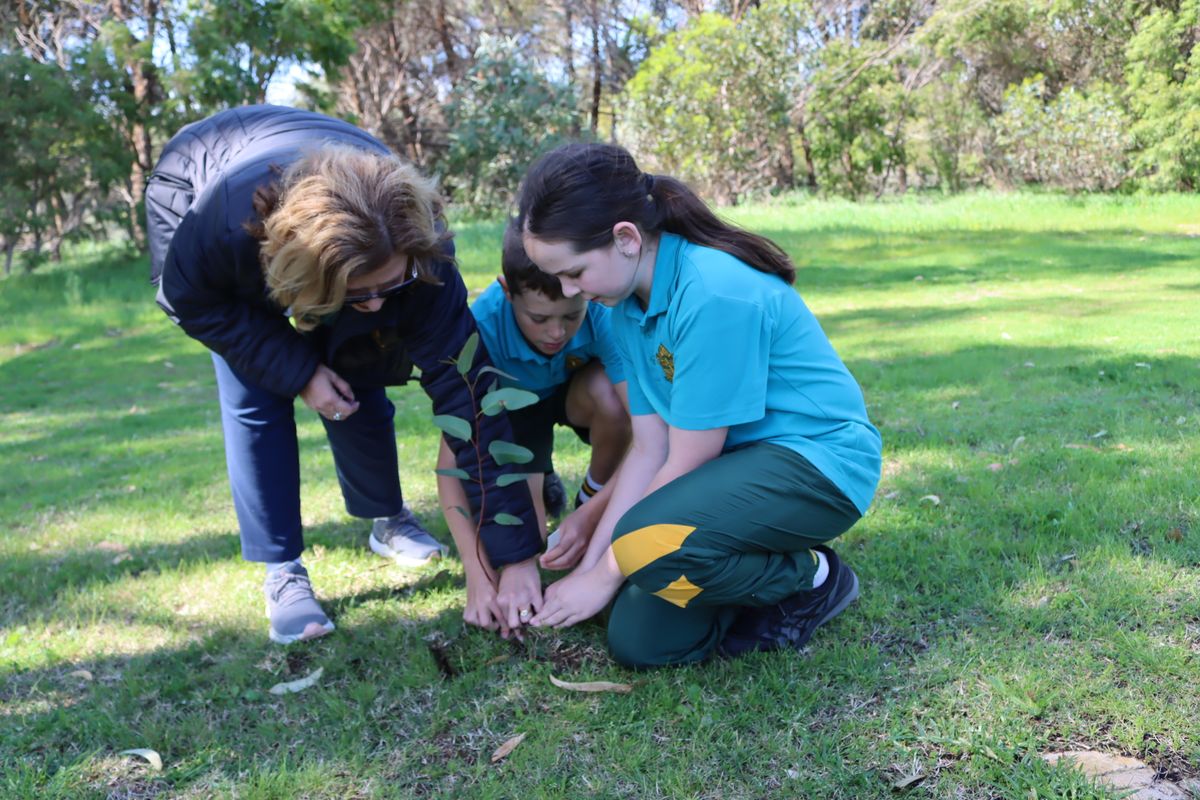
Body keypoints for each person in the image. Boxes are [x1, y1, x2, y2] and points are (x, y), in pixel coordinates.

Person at [146, 105, 542, 644]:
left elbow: (469, 400)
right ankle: (283, 569)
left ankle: (387, 517)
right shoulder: (219, 233)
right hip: (201, 187)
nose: (376, 305)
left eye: (388, 286)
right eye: (358, 293)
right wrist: (300, 370)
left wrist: (515, 557)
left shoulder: (423, 249)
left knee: (358, 366)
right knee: (256, 388)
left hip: (323, 194)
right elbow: (190, 303)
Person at [516, 143, 882, 668]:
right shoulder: (624, 311)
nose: (568, 290)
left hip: (817, 465)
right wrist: (590, 570)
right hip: (729, 474)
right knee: (642, 644)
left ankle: (812, 576)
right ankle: (742, 573)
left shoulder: (712, 292)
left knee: (643, 548)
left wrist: (605, 574)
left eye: (574, 272)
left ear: (625, 238)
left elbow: (688, 459)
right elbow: (650, 450)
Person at [436, 221, 631, 632]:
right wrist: (478, 572)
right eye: (539, 318)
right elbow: (450, 465)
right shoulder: (480, 330)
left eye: (571, 316)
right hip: (512, 408)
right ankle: (542, 487)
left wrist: (593, 513)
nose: (556, 333)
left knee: (613, 400)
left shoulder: (602, 312)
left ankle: (591, 496)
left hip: (577, 389)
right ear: (507, 291)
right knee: (530, 537)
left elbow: (652, 434)